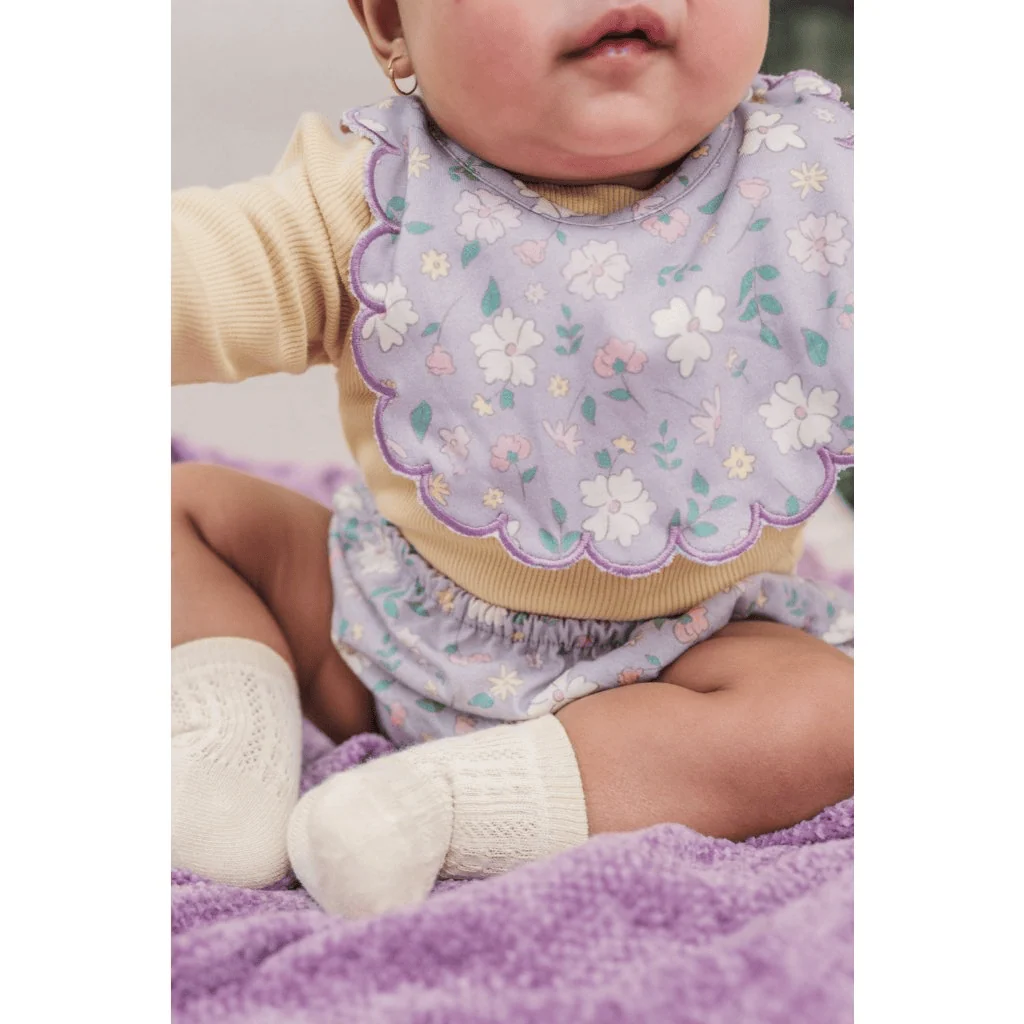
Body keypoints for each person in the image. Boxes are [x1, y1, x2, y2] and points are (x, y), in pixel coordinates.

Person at [171, 0, 854, 918]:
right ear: (391, 23)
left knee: (838, 712)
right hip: (375, 644)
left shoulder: (822, 196)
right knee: (178, 514)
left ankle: (441, 810)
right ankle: (227, 764)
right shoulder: (375, 208)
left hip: (693, 664)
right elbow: (189, 275)